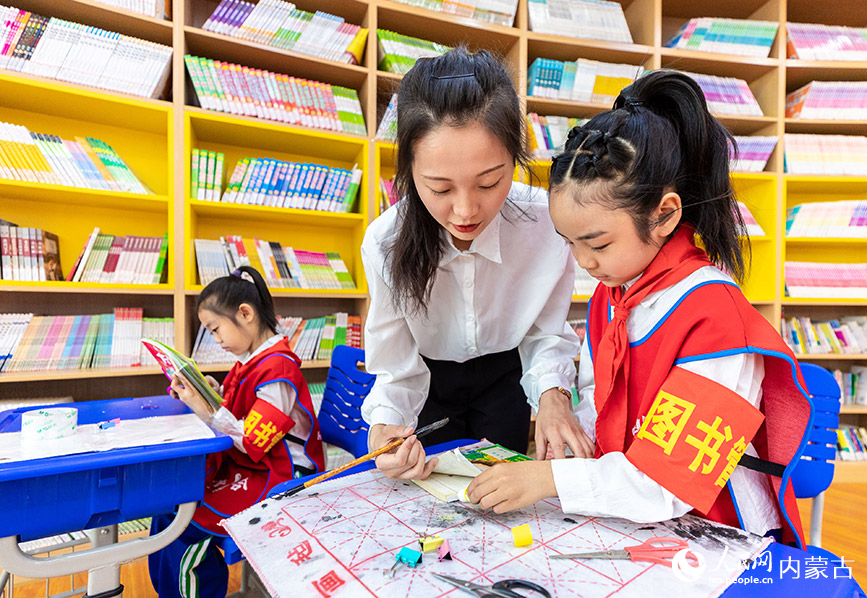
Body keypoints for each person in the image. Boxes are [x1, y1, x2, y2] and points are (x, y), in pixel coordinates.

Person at [466, 70, 811, 548]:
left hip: (712, 532)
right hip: (626, 514)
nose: (584, 263)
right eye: (569, 244)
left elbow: (669, 482)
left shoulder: (717, 319)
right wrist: (562, 445)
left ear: (665, 214)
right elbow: (597, 410)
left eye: (598, 243)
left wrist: (548, 481)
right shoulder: (615, 291)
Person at [361, 47, 584, 480]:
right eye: (440, 189)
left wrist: (555, 396)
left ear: (516, 159)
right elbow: (396, 368)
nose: (465, 211)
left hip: (508, 379)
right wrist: (383, 434)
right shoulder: (385, 240)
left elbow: (546, 333)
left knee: (500, 500)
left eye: (489, 182)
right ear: (408, 170)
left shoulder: (544, 221)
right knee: (430, 504)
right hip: (430, 383)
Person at [148, 265, 324, 597]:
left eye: (215, 329)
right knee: (166, 511)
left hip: (281, 473)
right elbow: (238, 406)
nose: (216, 341)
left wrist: (206, 408)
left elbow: (253, 440)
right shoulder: (252, 360)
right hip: (254, 464)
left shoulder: (279, 367)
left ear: (245, 313)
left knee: (184, 528)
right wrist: (208, 391)